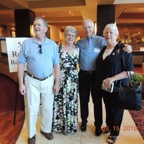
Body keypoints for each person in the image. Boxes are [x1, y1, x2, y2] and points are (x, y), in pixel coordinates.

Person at [76, 18, 132, 136]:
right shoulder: (79, 43)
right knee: (84, 100)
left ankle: (98, 126)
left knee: (97, 101)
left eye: (90, 27)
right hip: (84, 75)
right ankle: (84, 122)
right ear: (82, 29)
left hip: (97, 76)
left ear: (93, 28)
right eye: (85, 27)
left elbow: (115, 45)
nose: (87, 30)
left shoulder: (101, 40)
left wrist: (127, 47)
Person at [17, 17, 60, 144]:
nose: (36, 27)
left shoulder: (52, 45)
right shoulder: (27, 43)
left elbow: (57, 64)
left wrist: (57, 82)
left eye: (39, 25)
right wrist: (21, 83)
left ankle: (46, 129)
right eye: (35, 25)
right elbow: (20, 64)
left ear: (46, 29)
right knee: (32, 108)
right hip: (31, 81)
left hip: (48, 80)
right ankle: (31, 134)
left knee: (47, 107)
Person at [95, 23, 134, 143]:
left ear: (117, 34)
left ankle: (114, 132)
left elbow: (130, 71)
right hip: (105, 87)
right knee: (108, 107)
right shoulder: (103, 49)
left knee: (116, 110)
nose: (108, 34)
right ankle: (109, 126)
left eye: (111, 32)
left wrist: (113, 78)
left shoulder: (123, 49)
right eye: (106, 32)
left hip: (117, 87)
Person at [52, 26, 79, 135]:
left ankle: (70, 126)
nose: (71, 37)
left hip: (73, 79)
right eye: (69, 35)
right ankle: (60, 126)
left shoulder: (78, 49)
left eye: (73, 36)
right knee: (60, 101)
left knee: (71, 101)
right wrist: (56, 80)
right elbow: (54, 65)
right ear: (65, 36)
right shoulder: (58, 48)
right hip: (61, 77)